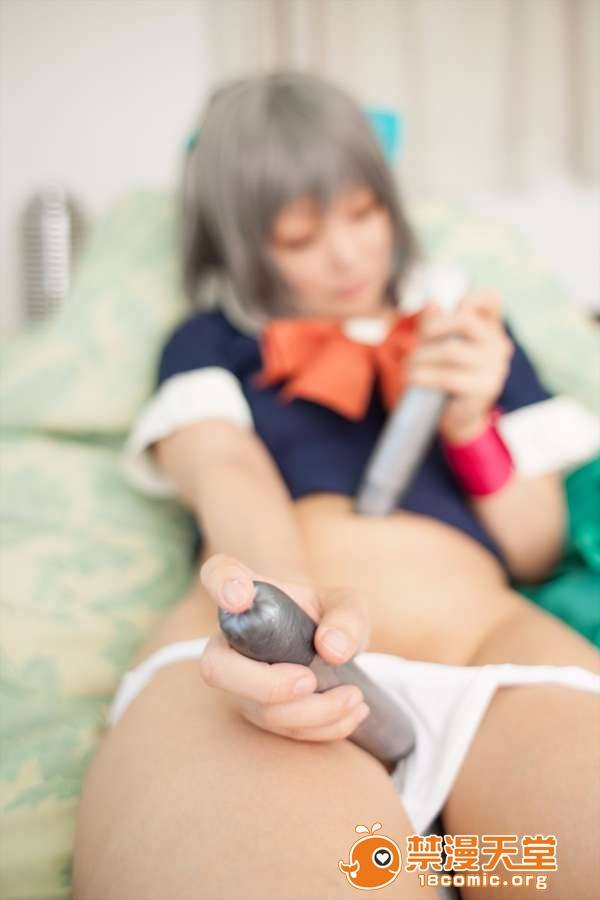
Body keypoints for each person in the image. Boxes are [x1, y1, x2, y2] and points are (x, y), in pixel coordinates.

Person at [72, 70, 600, 900]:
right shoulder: (211, 342)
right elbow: (224, 467)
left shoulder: (470, 340)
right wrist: (284, 607)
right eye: (299, 237)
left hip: (491, 661)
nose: (349, 256)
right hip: (260, 674)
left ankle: (449, 861)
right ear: (242, 245)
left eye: (364, 214)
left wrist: (471, 423)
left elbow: (536, 549)